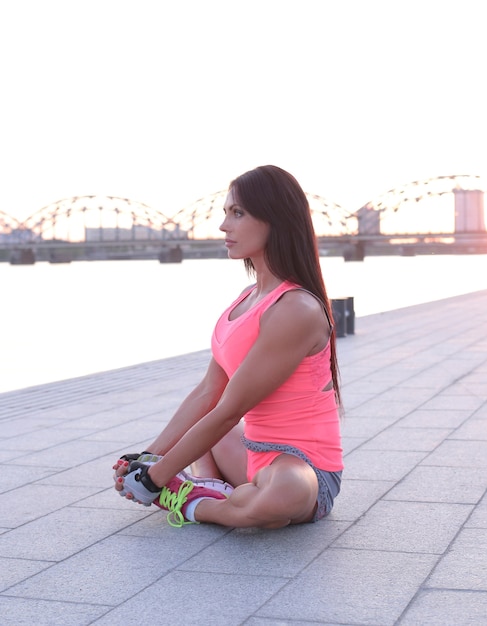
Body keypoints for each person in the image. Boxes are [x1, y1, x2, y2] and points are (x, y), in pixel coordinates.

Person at [113, 165, 344, 529]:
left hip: (301, 468)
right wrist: (148, 457)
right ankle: (211, 485)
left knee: (277, 496)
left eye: (237, 213)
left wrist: (155, 479)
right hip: (249, 454)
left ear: (275, 221)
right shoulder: (245, 300)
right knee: (203, 432)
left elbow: (229, 409)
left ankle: (192, 500)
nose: (224, 226)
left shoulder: (296, 309)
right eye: (225, 213)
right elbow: (208, 393)